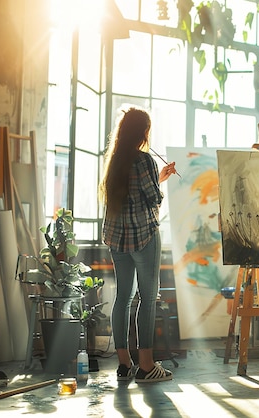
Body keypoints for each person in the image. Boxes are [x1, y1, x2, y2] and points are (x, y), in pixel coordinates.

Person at [99, 107, 177, 383]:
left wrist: (159, 177)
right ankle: (146, 366)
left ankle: (124, 364)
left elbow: (130, 194)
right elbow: (153, 198)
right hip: (143, 237)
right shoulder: (144, 161)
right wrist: (160, 180)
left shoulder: (114, 161)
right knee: (148, 298)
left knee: (123, 298)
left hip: (117, 240)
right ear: (143, 131)